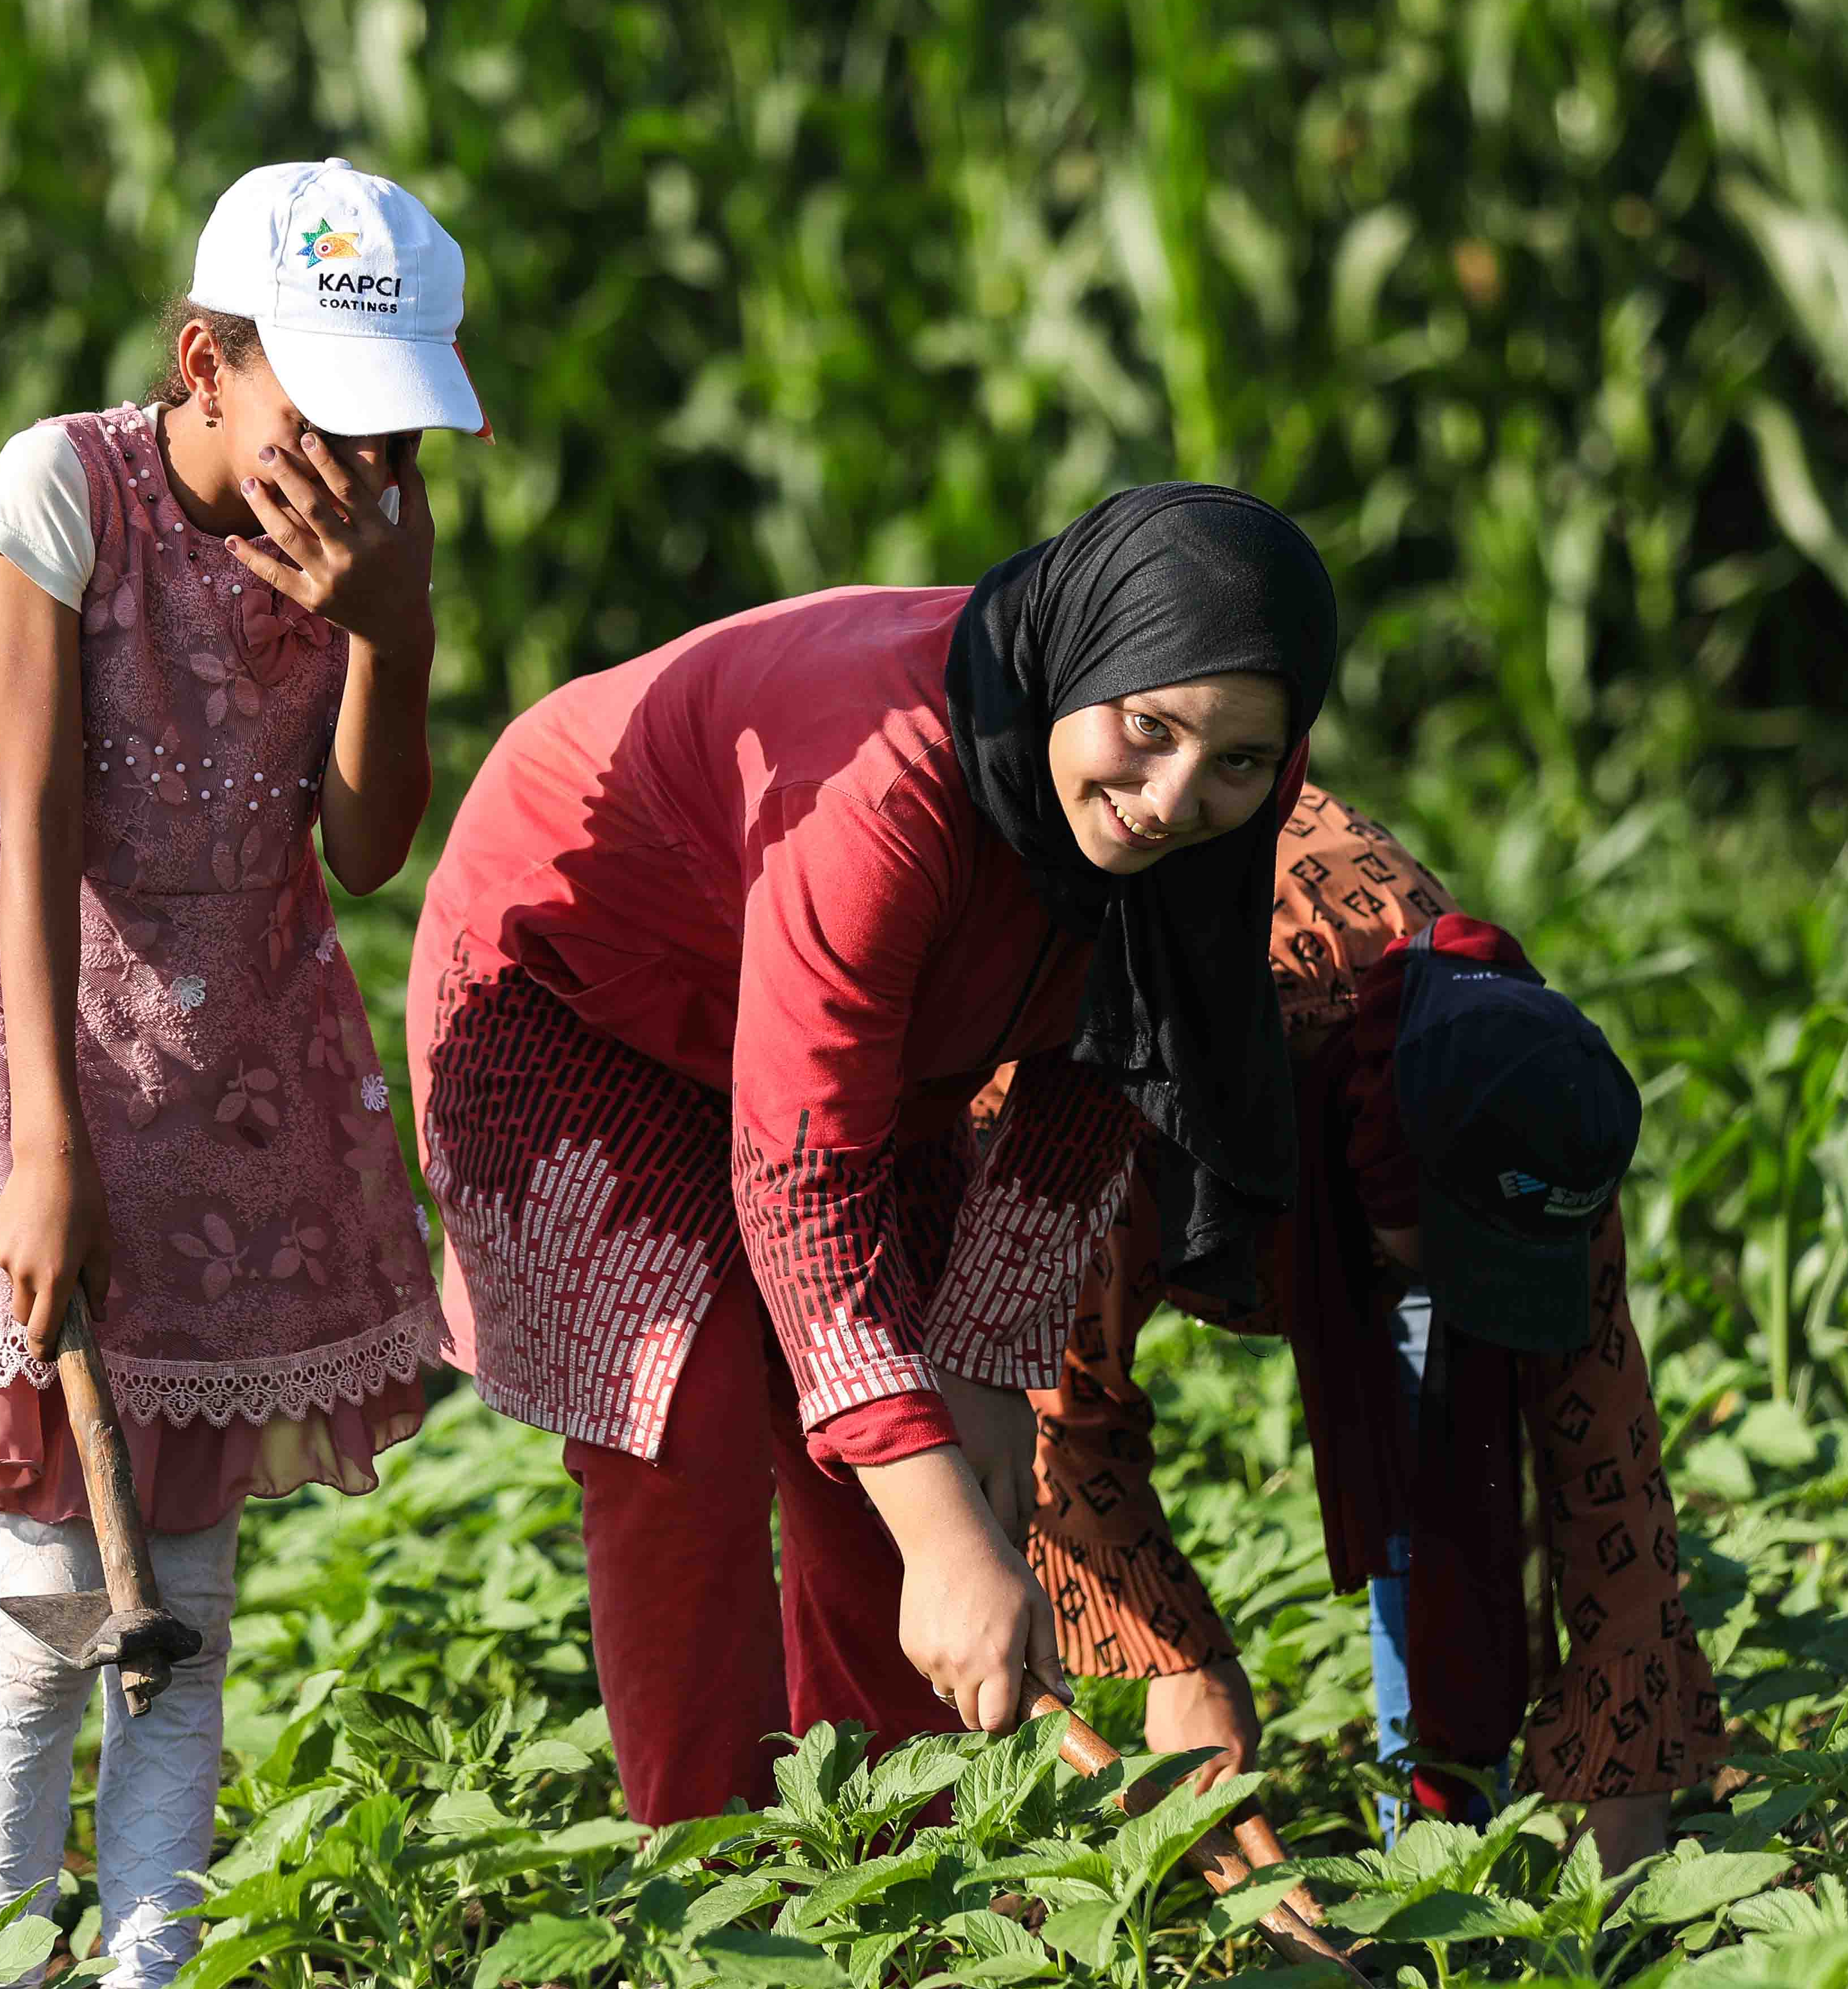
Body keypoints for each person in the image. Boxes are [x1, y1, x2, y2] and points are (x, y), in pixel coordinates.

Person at [0, 159, 481, 1989]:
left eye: (390, 430)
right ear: (204, 361)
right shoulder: (57, 496)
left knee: (188, 1594)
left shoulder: (375, 538)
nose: (351, 461)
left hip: (239, 1077)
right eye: (317, 417)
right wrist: (44, 1150)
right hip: (37, 1051)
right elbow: (20, 839)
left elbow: (357, 852)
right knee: (47, 1587)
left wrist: (394, 635)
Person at [407, 487, 1337, 1826]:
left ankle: (886, 1911)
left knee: (914, 1478)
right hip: (587, 991)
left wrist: (984, 1382)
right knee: (695, 1427)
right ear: (1082, 661)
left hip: (870, 1047)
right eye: (1148, 732)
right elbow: (801, 1180)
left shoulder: (1209, 794)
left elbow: (1101, 1063)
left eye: (1238, 762)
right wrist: (952, 1538)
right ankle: (709, 1911)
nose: (1173, 798)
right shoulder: (878, 775)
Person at [1015, 788, 1723, 1871]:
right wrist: (1180, 1667)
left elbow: (1609, 1470)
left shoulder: (1535, 1104)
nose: (1481, 1292)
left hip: (1393, 1137)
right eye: (1457, 1258)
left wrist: (1631, 1804)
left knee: (1453, 1442)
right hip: (1138, 1073)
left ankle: (1429, 1844)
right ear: (1366, 1177)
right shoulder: (1122, 1110)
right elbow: (1060, 1410)